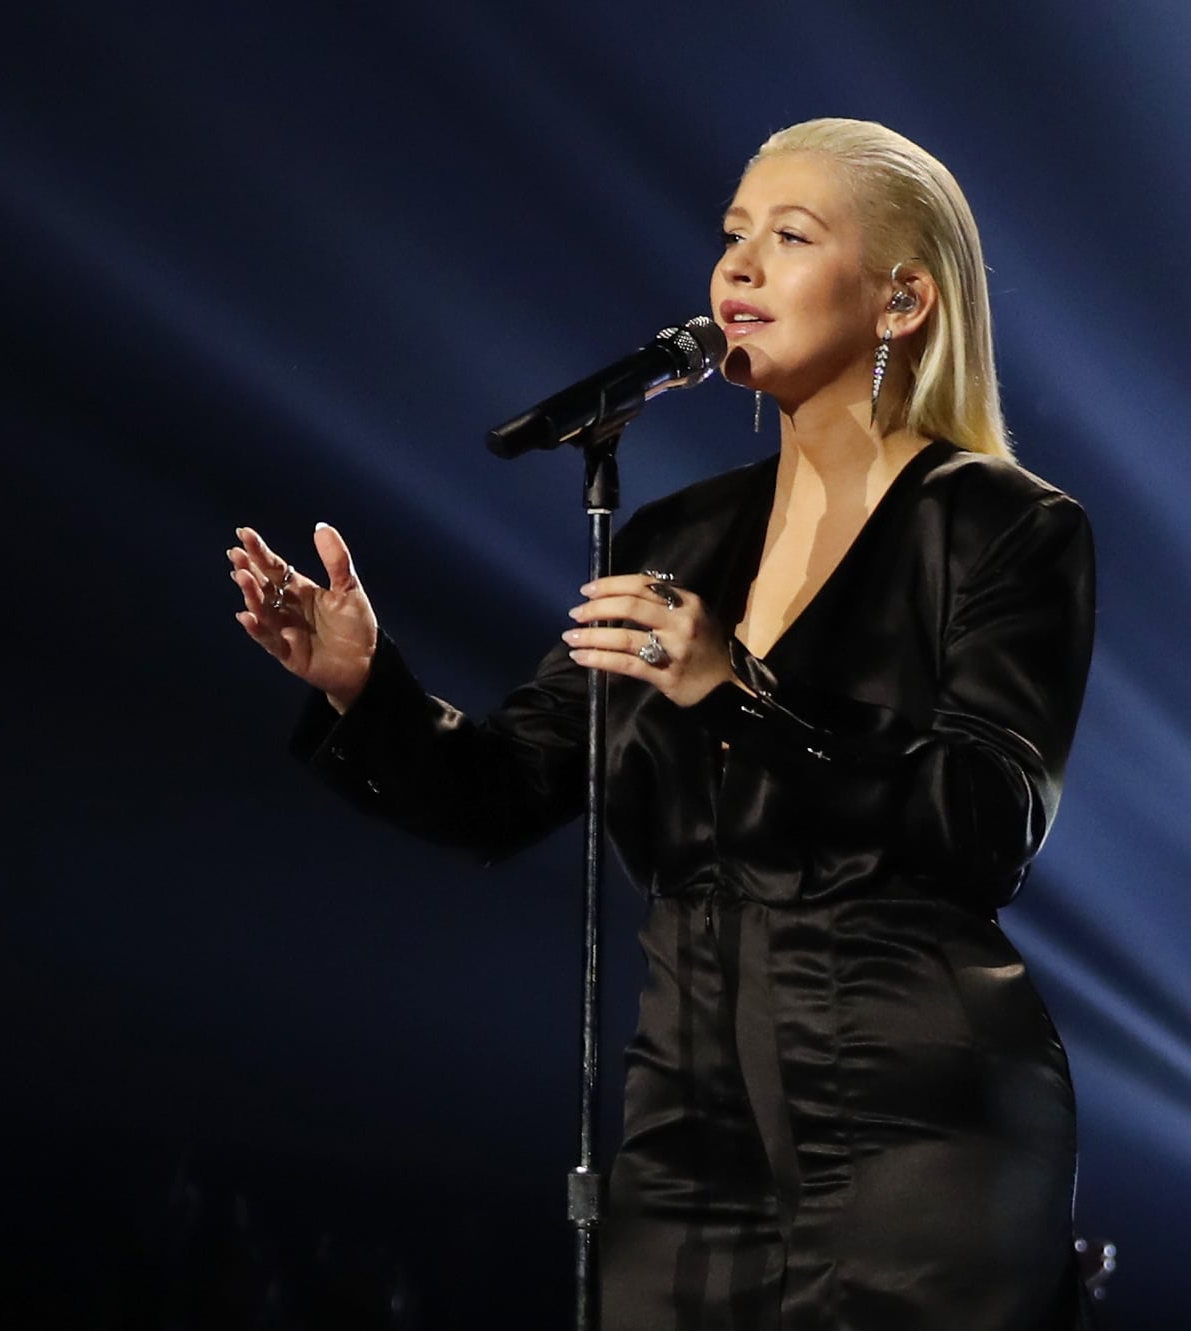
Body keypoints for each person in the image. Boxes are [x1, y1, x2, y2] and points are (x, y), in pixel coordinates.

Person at [227, 118, 1099, 1330]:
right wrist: (361, 686)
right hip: (688, 1111)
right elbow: (504, 791)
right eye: (732, 236)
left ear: (902, 299)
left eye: (789, 238)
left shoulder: (1001, 526)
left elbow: (984, 820)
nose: (736, 269)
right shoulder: (671, 543)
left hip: (917, 1103)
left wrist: (737, 693)